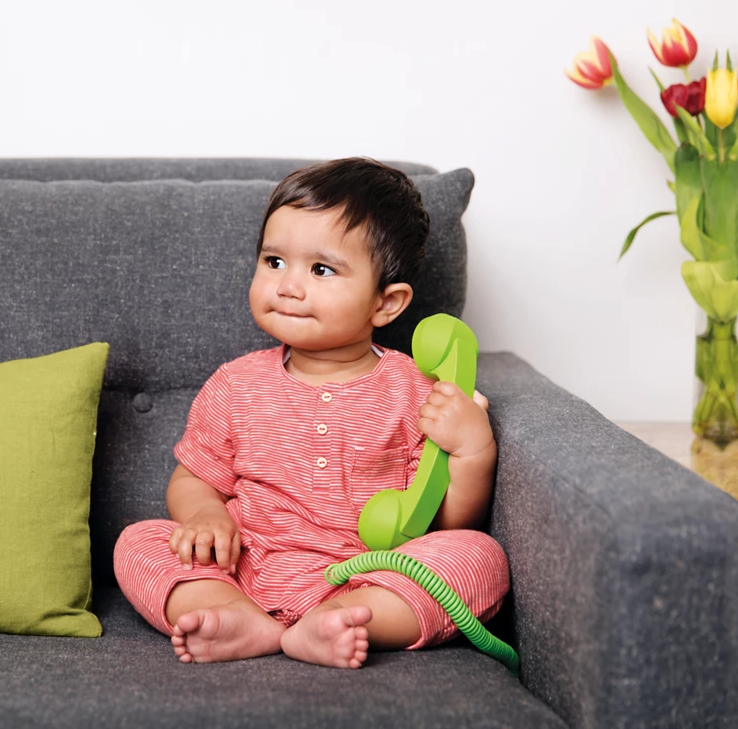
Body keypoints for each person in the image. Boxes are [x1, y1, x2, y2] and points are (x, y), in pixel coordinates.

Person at [113, 157, 510, 669]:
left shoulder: (415, 391)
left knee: (478, 557)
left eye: (321, 270)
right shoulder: (235, 383)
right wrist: (206, 515)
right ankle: (236, 618)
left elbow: (448, 520)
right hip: (247, 563)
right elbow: (193, 479)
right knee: (139, 542)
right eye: (273, 262)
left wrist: (473, 449)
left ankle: (339, 620)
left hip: (367, 573)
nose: (288, 285)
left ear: (386, 304)